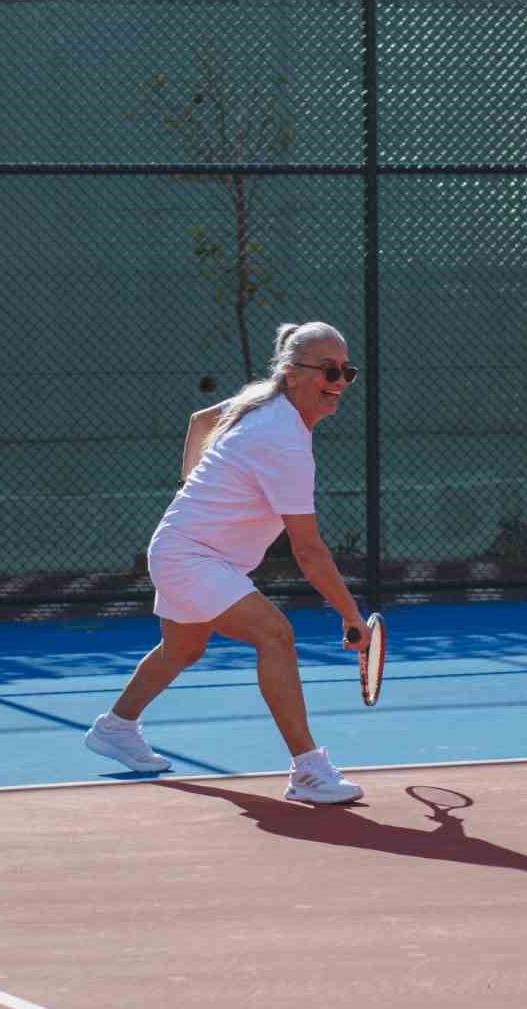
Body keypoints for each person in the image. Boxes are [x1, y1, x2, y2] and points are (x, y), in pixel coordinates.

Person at [84, 321, 368, 803]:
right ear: (294, 374)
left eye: (348, 371)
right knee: (274, 634)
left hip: (184, 547)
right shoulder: (282, 439)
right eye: (329, 370)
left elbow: (199, 420)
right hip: (190, 555)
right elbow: (308, 550)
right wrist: (350, 615)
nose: (339, 381)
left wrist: (191, 492)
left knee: (183, 649)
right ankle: (308, 769)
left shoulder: (263, 403)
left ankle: (115, 727)